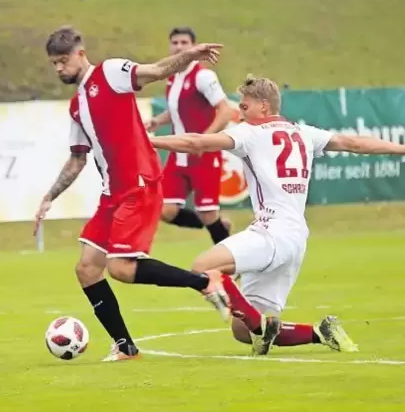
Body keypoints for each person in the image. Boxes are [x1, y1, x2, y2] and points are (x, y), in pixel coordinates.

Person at [148, 75, 405, 356]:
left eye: (244, 107)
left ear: (264, 106)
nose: (240, 113)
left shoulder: (250, 133)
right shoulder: (304, 132)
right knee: (241, 330)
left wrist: (150, 141)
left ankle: (261, 329)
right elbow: (353, 143)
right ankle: (321, 333)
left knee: (202, 267)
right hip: (295, 239)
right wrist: (401, 148)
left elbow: (196, 142)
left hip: (271, 232)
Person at [33, 27, 229, 362]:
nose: (59, 69)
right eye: (54, 64)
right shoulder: (76, 105)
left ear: (80, 53)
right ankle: (126, 347)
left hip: (138, 184)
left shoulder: (110, 72)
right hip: (113, 194)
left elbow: (154, 71)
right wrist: (50, 196)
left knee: (121, 268)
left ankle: (204, 281)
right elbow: (78, 158)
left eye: (63, 61)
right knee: (87, 269)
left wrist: (189, 56)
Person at [149, 27, 235, 245]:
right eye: (175, 42)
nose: (179, 47)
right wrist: (157, 121)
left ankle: (231, 262)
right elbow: (179, 108)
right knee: (164, 210)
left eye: (184, 43)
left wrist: (204, 139)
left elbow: (225, 111)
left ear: (194, 47)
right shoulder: (172, 77)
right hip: (178, 156)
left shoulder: (203, 76)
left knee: (207, 213)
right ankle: (218, 226)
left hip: (202, 155)